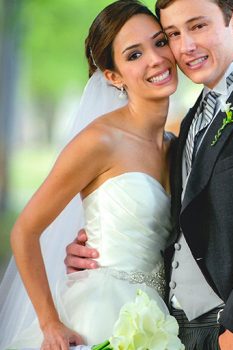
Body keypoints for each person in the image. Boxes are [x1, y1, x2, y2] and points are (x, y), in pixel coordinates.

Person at [65, 0, 233, 349]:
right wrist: (103, 253)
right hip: (176, 330)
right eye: (173, 34)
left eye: (198, 26)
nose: (186, 47)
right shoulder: (193, 117)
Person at [0, 0, 182, 348]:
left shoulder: (177, 146)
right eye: (133, 55)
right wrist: (50, 323)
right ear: (113, 76)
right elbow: (25, 231)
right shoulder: (100, 140)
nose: (156, 59)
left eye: (160, 42)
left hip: (158, 320)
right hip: (99, 314)